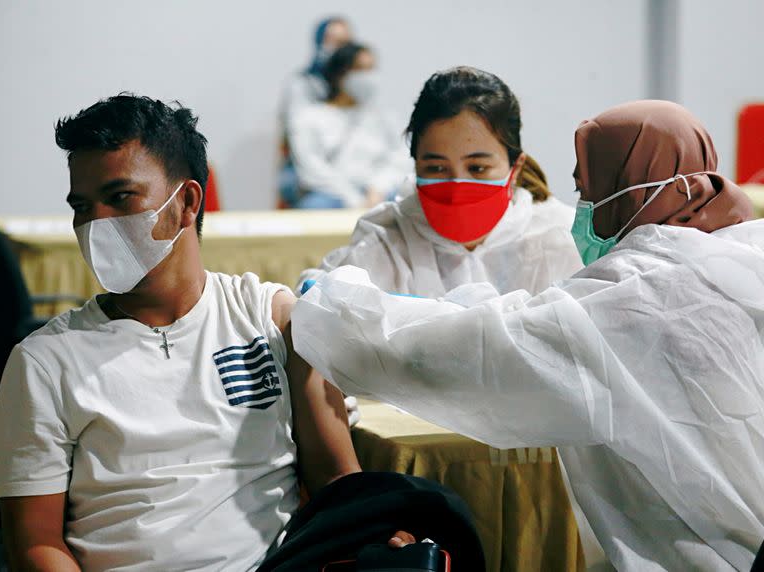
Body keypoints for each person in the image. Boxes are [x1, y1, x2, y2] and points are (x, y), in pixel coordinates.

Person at [292, 100, 764, 571]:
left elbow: (484, 348)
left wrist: (337, 304)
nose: (582, 208)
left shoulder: (639, 291)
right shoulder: (740, 249)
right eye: (435, 167)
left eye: (587, 191)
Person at [0, 94, 441, 571]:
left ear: (186, 202)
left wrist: (378, 537)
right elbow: (36, 543)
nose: (96, 223)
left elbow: (336, 482)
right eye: (82, 206)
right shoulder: (44, 363)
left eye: (120, 197)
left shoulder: (274, 321)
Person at [297, 66, 582, 296]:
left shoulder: (560, 241)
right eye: (436, 167)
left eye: (478, 168)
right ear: (415, 164)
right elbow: (317, 304)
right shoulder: (389, 243)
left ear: (515, 167)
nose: (457, 185)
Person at [288, 42, 412, 209]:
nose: (369, 77)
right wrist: (352, 198)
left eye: (372, 68)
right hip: (331, 194)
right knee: (314, 207)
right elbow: (311, 169)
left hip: (378, 191)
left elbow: (401, 155)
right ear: (340, 75)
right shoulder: (308, 118)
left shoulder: (382, 116)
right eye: (361, 69)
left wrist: (378, 187)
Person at [277, 17, 352, 207]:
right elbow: (303, 147)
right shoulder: (300, 85)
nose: (338, 48)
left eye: (344, 43)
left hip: (347, 167)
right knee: (317, 204)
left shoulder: (355, 89)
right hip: (305, 169)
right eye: (332, 41)